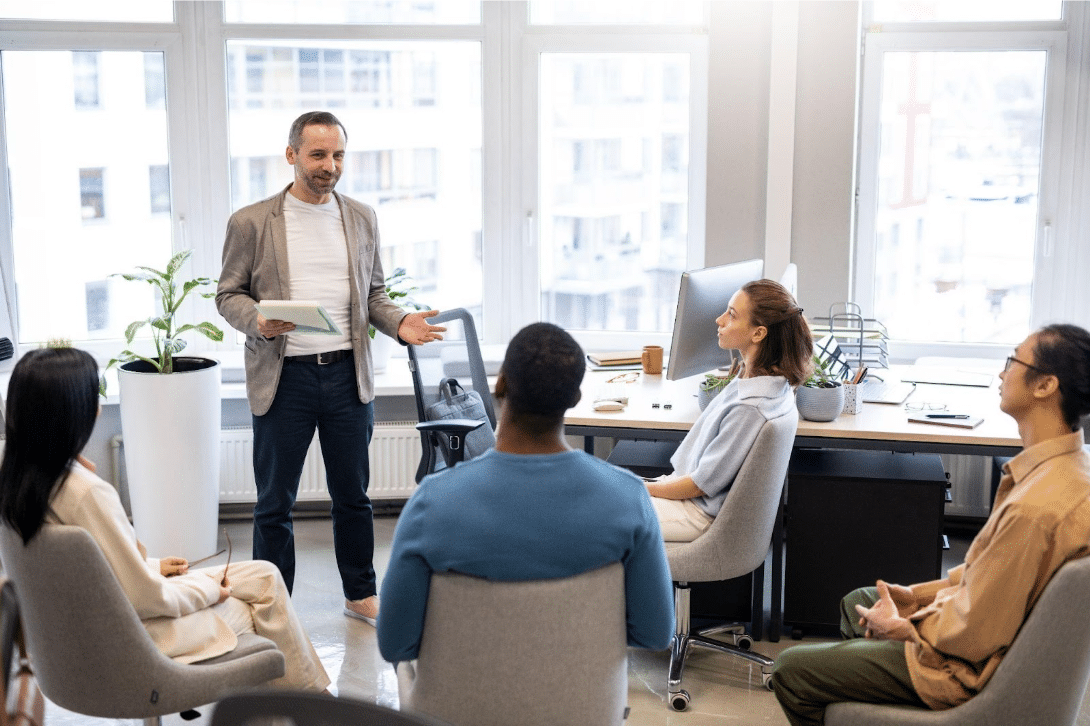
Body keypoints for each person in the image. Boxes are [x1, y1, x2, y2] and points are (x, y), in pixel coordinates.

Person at [771, 323, 1090, 725]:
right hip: (977, 632)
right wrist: (915, 595)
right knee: (859, 602)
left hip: (962, 669)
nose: (1001, 372)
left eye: (1012, 360)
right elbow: (986, 576)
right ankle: (870, 686)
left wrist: (906, 627)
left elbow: (976, 629)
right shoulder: (1066, 473)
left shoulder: (1036, 509)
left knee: (790, 671)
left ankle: (872, 691)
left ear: (1045, 385)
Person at [216, 110, 445, 626]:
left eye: (338, 154)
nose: (330, 165)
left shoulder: (361, 216)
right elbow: (228, 294)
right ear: (292, 154)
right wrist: (257, 319)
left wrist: (400, 321)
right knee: (274, 504)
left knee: (353, 497)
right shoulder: (252, 222)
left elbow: (374, 295)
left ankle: (360, 593)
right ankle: (275, 607)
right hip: (285, 379)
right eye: (318, 154)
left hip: (347, 377)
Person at [0, 348, 330, 692]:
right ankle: (315, 705)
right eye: (91, 397)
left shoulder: (19, 481)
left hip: (87, 628)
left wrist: (154, 565)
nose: (97, 407)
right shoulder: (86, 494)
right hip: (142, 637)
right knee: (266, 604)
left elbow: (92, 567)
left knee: (265, 574)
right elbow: (146, 597)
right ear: (72, 414)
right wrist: (209, 592)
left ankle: (308, 701)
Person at [377, 322, 674, 665]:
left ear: (501, 385)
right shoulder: (629, 499)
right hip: (582, 708)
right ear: (575, 398)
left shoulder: (432, 503)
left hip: (457, 709)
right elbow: (654, 634)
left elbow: (395, 644)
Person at [645, 278, 812, 541]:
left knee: (592, 517)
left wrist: (643, 489)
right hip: (687, 499)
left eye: (731, 315)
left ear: (758, 333)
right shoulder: (762, 381)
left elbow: (700, 484)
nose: (719, 320)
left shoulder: (751, 407)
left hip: (695, 513)